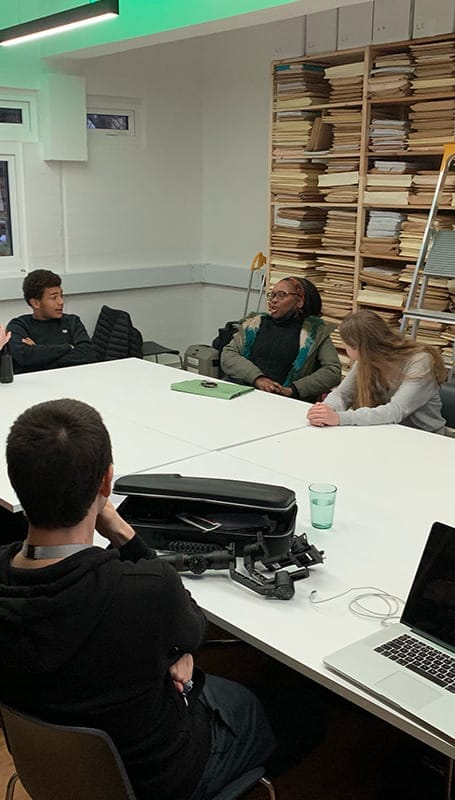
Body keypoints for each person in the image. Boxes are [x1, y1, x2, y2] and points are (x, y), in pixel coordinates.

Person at [0, 398, 313, 800]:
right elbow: (194, 628)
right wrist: (125, 534)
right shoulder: (144, 590)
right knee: (297, 714)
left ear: (17, 482)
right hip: (161, 779)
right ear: (106, 483)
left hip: (47, 766)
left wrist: (166, 651)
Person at [307, 309, 447, 433]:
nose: (345, 348)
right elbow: (342, 394)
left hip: (424, 437)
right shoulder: (367, 360)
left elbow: (395, 411)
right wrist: (325, 410)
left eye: (346, 345)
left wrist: (339, 418)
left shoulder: (421, 361)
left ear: (360, 347)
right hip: (386, 432)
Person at [221, 276, 341, 401]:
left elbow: (332, 371)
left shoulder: (314, 332)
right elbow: (228, 354)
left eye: (281, 295)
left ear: (299, 301)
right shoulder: (254, 324)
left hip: (287, 401)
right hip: (245, 393)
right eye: (272, 295)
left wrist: (293, 389)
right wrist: (257, 379)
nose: (273, 300)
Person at [7, 269, 96, 374]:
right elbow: (25, 357)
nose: (61, 302)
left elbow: (88, 353)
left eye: (61, 296)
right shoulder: (19, 326)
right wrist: (68, 347)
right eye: (54, 298)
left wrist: (39, 355)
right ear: (36, 303)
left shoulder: (72, 321)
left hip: (71, 378)